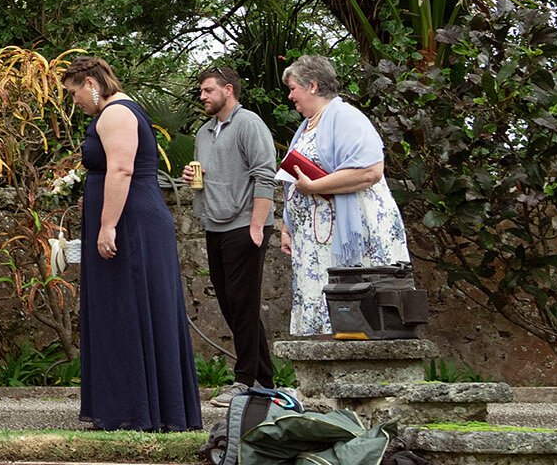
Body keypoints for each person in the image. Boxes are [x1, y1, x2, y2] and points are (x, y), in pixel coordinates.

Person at [63, 56, 202, 432]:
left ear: (91, 82)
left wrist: (107, 225)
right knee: (119, 308)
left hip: (131, 224)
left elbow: (122, 169)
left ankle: (138, 411)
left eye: (76, 94)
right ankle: (129, 406)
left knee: (131, 307)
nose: (76, 103)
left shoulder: (116, 114)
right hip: (127, 218)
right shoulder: (112, 113)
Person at [275, 55, 411, 336]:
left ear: (312, 86)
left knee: (356, 306)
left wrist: (315, 187)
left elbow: (370, 171)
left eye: (293, 88)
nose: (290, 96)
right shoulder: (306, 126)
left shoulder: (345, 116)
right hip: (313, 242)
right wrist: (288, 227)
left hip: (351, 233)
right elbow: (292, 179)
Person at [188, 66, 278, 387]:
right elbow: (207, 181)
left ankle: (245, 380)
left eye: (208, 90)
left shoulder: (249, 124)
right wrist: (193, 183)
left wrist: (257, 227)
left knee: (243, 303)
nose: (202, 96)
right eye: (201, 91)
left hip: (245, 225)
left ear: (228, 90)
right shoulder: (203, 133)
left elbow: (265, 174)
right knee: (232, 304)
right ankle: (264, 381)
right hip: (215, 227)